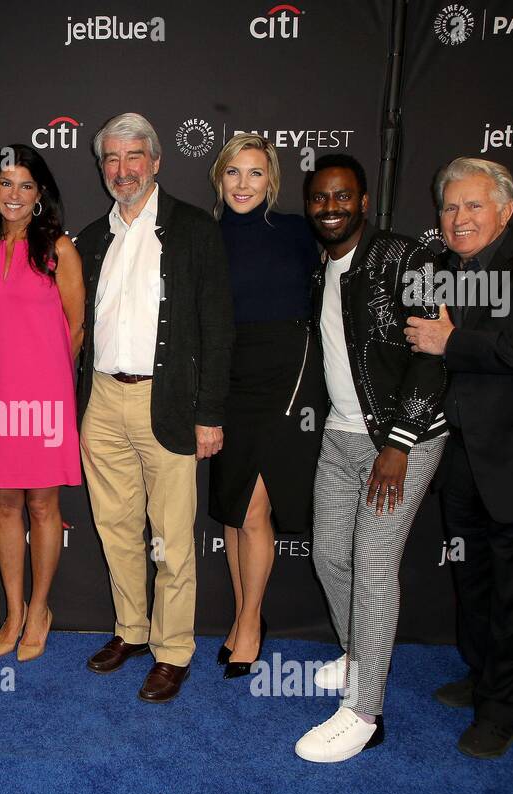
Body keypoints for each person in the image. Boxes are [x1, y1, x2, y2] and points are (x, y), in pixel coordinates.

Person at [405, 157, 513, 759]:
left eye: (473, 205)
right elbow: (422, 352)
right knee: (474, 584)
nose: (459, 217)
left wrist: (454, 341)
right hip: (461, 461)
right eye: (450, 207)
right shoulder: (437, 270)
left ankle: (504, 708)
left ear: (506, 210)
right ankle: (483, 677)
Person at [296, 154, 448, 762]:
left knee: (374, 563)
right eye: (319, 197)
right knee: (331, 554)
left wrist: (399, 443)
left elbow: (433, 356)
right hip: (341, 433)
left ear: (364, 201)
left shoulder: (408, 259)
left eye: (342, 196)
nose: (330, 207)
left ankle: (363, 713)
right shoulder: (323, 270)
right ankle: (359, 654)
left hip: (401, 440)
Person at [77, 113, 232, 703]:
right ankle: (132, 630)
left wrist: (209, 412)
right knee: (116, 527)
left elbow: (217, 327)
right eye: (112, 159)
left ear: (157, 161)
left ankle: (173, 651)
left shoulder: (194, 229)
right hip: (102, 398)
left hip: (166, 400)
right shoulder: (93, 237)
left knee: (171, 536)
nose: (123, 169)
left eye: (134, 156)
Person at [206, 133, 322, 679]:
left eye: (255, 173)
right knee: (234, 509)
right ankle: (241, 614)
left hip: (283, 377)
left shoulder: (298, 232)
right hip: (227, 375)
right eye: (233, 172)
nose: (243, 184)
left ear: (271, 179)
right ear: (219, 178)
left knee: (254, 509)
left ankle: (251, 621)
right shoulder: (205, 237)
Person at [0, 144, 84, 662]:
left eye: (25, 185)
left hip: (44, 397)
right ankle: (13, 611)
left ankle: (40, 609)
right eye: (5, 183)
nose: (14, 194)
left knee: (42, 505)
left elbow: (76, 326)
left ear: (40, 194)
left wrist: (49, 380)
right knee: (4, 504)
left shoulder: (59, 248)